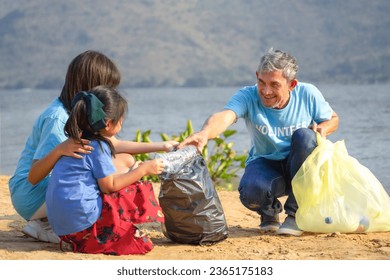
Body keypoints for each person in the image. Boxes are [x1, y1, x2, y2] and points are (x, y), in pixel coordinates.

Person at [8, 50, 177, 243]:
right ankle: (48, 223)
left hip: (48, 189)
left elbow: (115, 145)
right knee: (115, 170)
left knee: (126, 160)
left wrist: (162, 146)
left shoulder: (78, 114)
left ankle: (48, 220)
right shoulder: (58, 119)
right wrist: (59, 150)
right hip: (31, 195)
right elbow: (34, 176)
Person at [178, 48, 339, 236]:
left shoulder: (308, 93)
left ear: (292, 85)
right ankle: (269, 213)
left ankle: (295, 216)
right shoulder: (248, 95)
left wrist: (323, 128)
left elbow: (333, 119)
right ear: (256, 76)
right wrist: (204, 133)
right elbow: (225, 116)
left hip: (301, 165)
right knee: (251, 193)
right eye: (261, 82)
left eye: (274, 85)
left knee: (305, 136)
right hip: (266, 163)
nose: (266, 91)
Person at [46, 86, 165, 255]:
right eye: (121, 119)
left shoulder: (75, 142)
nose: (122, 122)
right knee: (133, 188)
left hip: (62, 228)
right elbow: (109, 186)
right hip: (81, 227)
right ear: (108, 123)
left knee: (125, 177)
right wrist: (144, 169)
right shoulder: (99, 146)